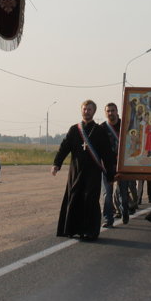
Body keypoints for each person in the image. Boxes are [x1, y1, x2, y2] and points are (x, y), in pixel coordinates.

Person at [52, 99, 116, 241]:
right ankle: (72, 229)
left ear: (94, 111)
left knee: (90, 200)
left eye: (90, 109)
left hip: (93, 172)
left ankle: (90, 231)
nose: (87, 112)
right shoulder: (74, 129)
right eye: (85, 109)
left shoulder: (99, 131)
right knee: (74, 197)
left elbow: (107, 154)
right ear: (81, 110)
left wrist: (111, 176)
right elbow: (64, 147)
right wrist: (57, 163)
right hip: (75, 171)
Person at [99, 102, 125, 227]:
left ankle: (124, 210)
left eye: (112, 110)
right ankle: (108, 219)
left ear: (117, 111)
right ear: (105, 113)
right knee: (106, 194)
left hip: (123, 166)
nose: (110, 113)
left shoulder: (125, 125)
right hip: (107, 166)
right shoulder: (101, 128)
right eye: (108, 111)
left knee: (123, 192)